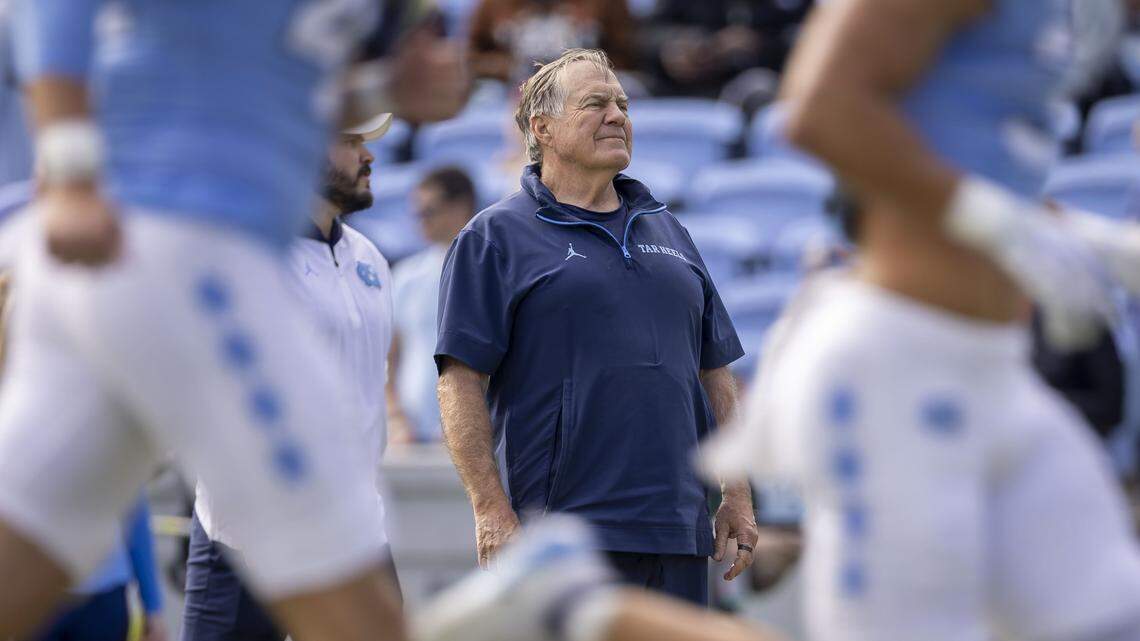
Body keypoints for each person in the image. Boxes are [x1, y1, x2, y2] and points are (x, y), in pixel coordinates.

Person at [0, 0, 465, 639]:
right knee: (365, 625)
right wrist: (73, 165)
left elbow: (256, 87)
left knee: (18, 571)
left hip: (144, 260)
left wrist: (388, 89)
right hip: (185, 247)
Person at [703, 1, 1140, 640]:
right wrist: (990, 220)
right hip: (895, 362)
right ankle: (581, 608)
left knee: (1107, 616)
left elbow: (973, 148)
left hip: (993, 368)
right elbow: (821, 109)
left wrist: (1083, 237)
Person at [435, 48, 758, 607]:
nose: (617, 116)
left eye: (623, 104)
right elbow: (460, 381)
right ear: (543, 128)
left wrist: (739, 491)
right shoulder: (495, 237)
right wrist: (489, 507)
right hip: (561, 535)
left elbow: (715, 370)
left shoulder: (672, 232)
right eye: (595, 104)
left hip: (678, 528)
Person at [180, 116, 400, 641]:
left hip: (356, 531)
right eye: (350, 142)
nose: (368, 156)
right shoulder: (245, 256)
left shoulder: (369, 258)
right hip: (246, 537)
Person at [387, 166, 477, 445]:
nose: (419, 221)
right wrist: (396, 417)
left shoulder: (493, 272)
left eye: (428, 211)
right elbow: (390, 358)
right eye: (417, 212)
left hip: (473, 437)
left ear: (460, 208)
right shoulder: (406, 275)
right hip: (413, 436)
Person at [32, 498, 166, 641]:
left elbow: (135, 513)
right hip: (43, 593)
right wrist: (152, 606)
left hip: (99, 597)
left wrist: (152, 606)